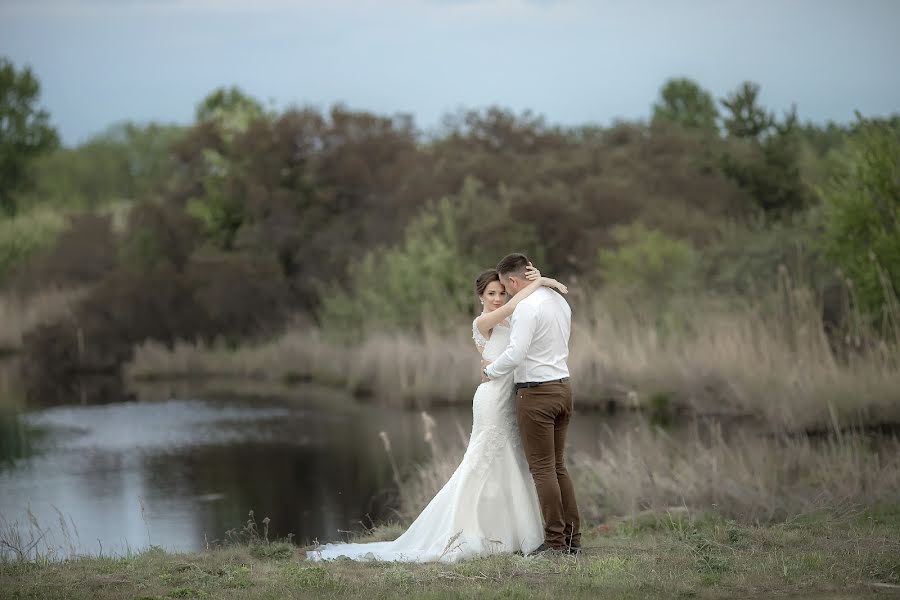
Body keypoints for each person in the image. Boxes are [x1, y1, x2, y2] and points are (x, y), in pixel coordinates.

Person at [309, 265, 568, 562]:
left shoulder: (514, 318)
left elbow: (522, 312)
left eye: (500, 292)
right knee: (483, 458)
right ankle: (468, 529)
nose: (497, 298)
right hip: (490, 398)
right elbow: (515, 302)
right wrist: (544, 281)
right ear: (481, 297)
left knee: (512, 459)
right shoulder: (483, 321)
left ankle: (514, 533)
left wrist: (531, 281)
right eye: (490, 294)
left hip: (510, 398)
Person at [482, 253, 580, 555]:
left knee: (542, 470)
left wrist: (489, 370)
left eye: (505, 286)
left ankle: (554, 544)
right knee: (558, 467)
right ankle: (572, 540)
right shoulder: (558, 301)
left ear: (513, 281)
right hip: (563, 388)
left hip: (536, 395)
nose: (506, 293)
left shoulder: (526, 307)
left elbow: (515, 354)